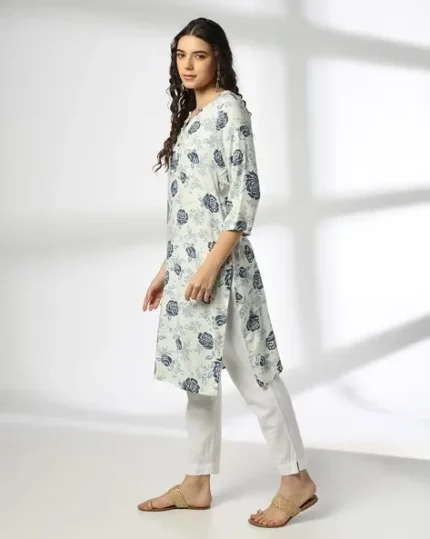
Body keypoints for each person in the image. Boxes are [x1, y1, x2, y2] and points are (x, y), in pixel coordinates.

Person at [137, 17, 318, 529]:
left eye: (199, 55)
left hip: (223, 272)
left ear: (219, 58)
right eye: (180, 55)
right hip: (189, 270)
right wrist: (168, 269)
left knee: (256, 373)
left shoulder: (229, 110)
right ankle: (196, 483)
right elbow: (192, 209)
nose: (188, 65)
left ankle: (297, 479)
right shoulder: (192, 118)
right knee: (197, 377)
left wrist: (211, 266)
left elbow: (244, 195)